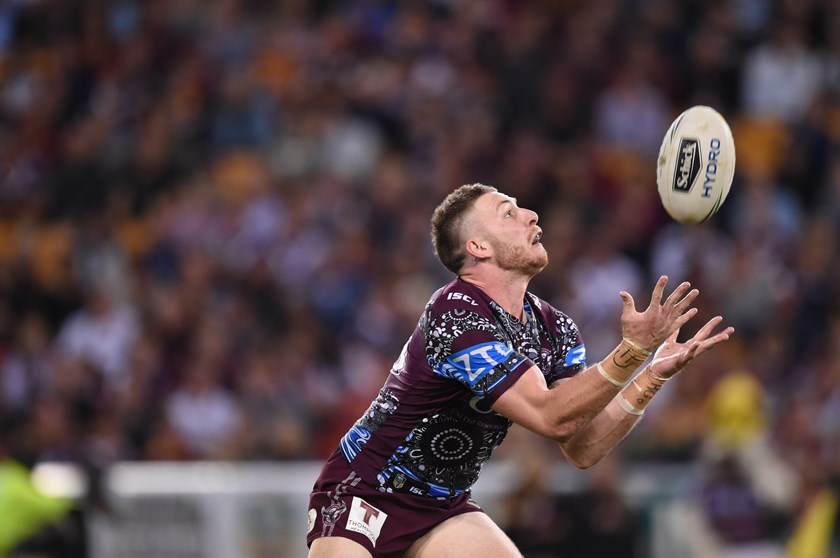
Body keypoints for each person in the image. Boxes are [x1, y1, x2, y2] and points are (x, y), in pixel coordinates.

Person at [306, 183, 734, 558]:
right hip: (364, 490)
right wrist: (633, 349)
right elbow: (549, 415)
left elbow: (581, 446)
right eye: (508, 212)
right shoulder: (455, 312)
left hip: (442, 508)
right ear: (478, 247)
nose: (531, 215)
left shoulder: (556, 329)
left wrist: (652, 373)